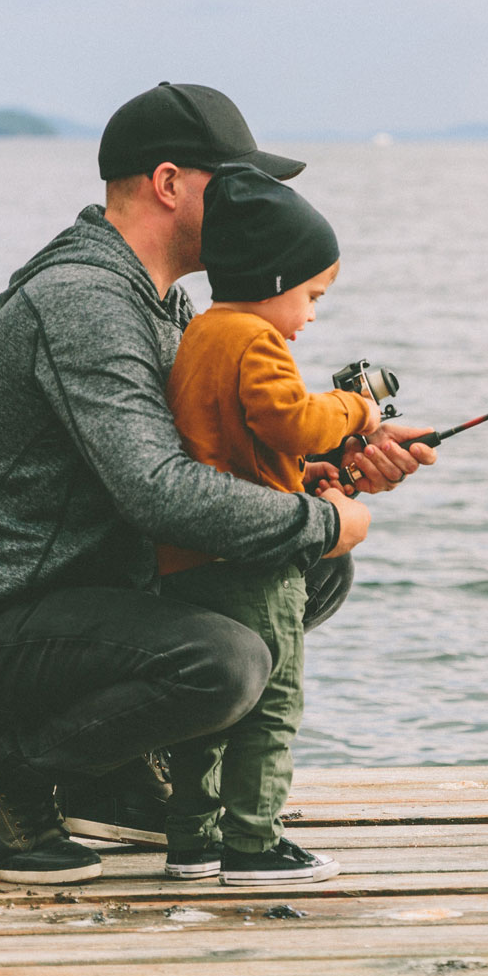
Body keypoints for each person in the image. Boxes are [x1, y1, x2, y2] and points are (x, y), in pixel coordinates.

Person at [0, 82, 435, 884]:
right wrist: (319, 521)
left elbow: (198, 464)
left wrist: (325, 466)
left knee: (309, 569)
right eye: (236, 182)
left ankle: (115, 778)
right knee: (229, 659)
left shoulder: (163, 304)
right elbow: (158, 493)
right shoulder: (86, 302)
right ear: (169, 183)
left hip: (71, 598)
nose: (255, 203)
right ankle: (8, 780)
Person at [155, 163, 371, 885]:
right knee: (272, 704)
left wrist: (299, 478)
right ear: (276, 282)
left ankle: (191, 840)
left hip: (190, 560)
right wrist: (355, 410)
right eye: (311, 297)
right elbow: (294, 419)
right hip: (253, 565)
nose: (311, 315)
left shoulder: (203, 332)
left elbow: (232, 441)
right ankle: (254, 844)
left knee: (211, 717)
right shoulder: (257, 340)